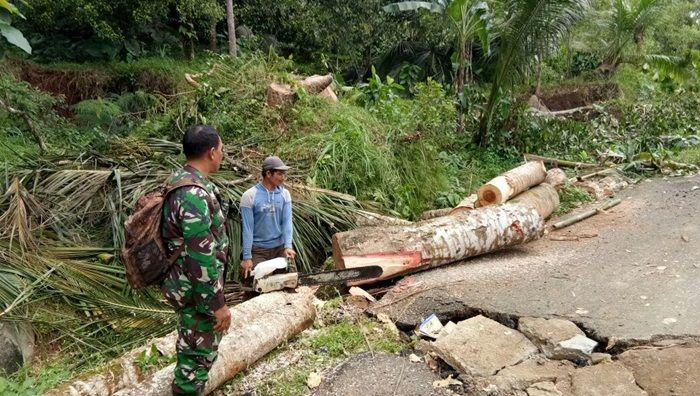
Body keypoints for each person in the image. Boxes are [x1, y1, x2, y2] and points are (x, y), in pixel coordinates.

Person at [160, 125, 232, 395]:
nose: (223, 155)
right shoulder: (193, 194)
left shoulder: (181, 179)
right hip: (196, 291)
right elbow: (200, 256)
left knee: (192, 351)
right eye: (222, 150)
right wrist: (217, 304)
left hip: (187, 286)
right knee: (197, 358)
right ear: (212, 153)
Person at [240, 156, 296, 281]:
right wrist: (247, 256)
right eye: (279, 174)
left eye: (284, 174)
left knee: (287, 283)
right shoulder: (249, 196)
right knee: (258, 286)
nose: (283, 178)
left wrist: (288, 246)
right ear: (268, 174)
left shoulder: (284, 194)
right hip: (258, 250)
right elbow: (247, 228)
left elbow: (287, 221)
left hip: (279, 248)